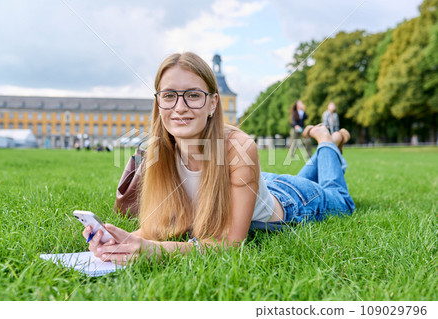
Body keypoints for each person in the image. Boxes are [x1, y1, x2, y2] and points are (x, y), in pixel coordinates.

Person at [82, 52, 355, 264]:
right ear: (158, 102)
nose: (180, 107)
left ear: (213, 102)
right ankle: (329, 145)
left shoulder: (238, 147)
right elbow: (153, 229)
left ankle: (326, 140)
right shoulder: (158, 152)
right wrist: (119, 240)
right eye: (169, 96)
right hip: (255, 185)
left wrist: (156, 250)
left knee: (339, 198)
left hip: (289, 202)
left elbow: (230, 244)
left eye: (192, 95)